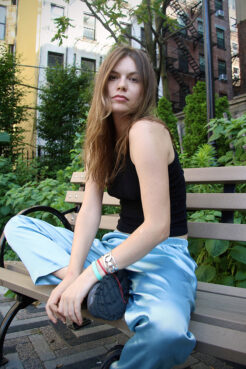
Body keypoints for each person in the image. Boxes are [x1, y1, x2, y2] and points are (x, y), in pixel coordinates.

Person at [4, 45, 197, 369]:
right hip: (115, 251)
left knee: (167, 335)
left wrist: (92, 272)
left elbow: (158, 226)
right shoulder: (101, 139)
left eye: (133, 79)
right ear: (103, 85)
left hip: (162, 255)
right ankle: (104, 286)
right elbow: (90, 211)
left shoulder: (146, 132)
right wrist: (74, 275)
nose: (122, 85)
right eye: (114, 77)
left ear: (145, 89)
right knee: (18, 227)